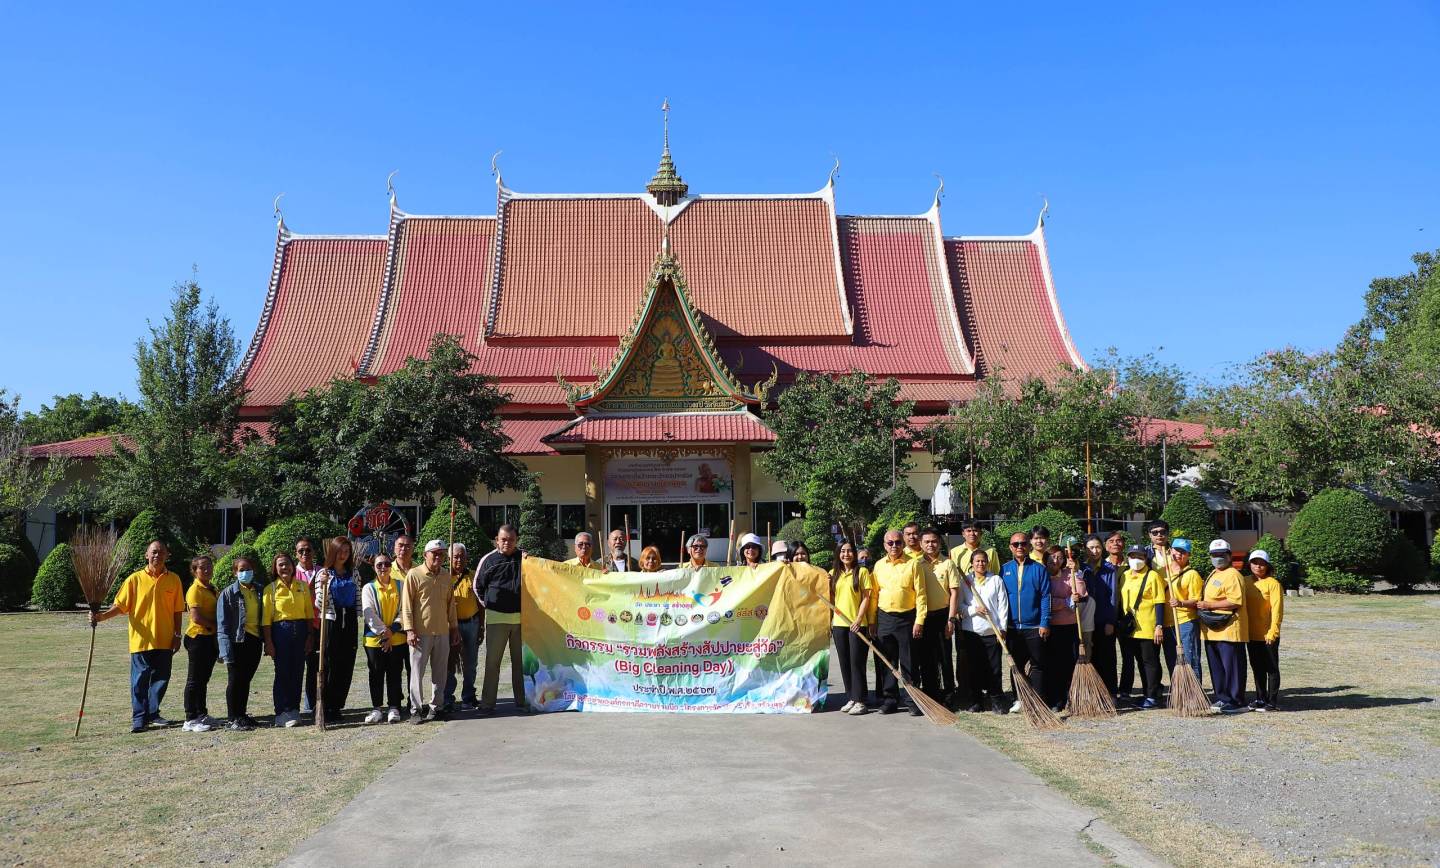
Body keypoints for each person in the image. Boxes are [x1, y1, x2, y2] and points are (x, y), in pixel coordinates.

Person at [90, 540, 186, 733]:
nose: (157, 556)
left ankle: (153, 713)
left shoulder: (174, 580)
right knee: (139, 681)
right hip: (141, 640)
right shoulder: (134, 580)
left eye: (161, 552)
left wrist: (177, 634)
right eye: (154, 552)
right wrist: (101, 617)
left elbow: (177, 611)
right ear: (146, 555)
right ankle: (139, 719)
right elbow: (120, 606)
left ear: (168, 555)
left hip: (165, 639)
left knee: (161, 678)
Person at [475, 525, 531, 715]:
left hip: (521, 620)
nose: (507, 543)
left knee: (520, 663)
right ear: (497, 540)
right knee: (492, 663)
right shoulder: (488, 560)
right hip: (496, 619)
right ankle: (487, 704)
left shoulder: (525, 559)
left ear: (517, 540)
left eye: (511, 539)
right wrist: (490, 605)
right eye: (503, 539)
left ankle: (522, 702)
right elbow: (477, 587)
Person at [402, 539, 460, 723]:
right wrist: (409, 630)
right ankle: (416, 709)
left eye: (441, 553)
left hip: (442, 631)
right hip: (420, 632)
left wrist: (454, 627)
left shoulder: (446, 576)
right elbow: (407, 605)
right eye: (434, 553)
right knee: (417, 672)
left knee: (440, 672)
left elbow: (451, 605)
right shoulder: (414, 575)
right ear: (425, 554)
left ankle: (437, 707)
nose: (438, 556)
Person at [873, 530, 927, 716]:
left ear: (903, 544)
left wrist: (919, 621)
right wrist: (873, 621)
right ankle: (890, 700)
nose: (894, 546)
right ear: (884, 544)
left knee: (909, 662)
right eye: (890, 543)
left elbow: (921, 595)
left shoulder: (913, 564)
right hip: (884, 618)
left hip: (907, 619)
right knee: (888, 662)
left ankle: (912, 700)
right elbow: (874, 595)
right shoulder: (879, 566)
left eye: (897, 542)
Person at [952, 548, 1010, 713]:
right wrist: (974, 609)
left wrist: (1002, 628)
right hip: (972, 632)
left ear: (988, 562)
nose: (980, 564)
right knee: (974, 667)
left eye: (983, 561)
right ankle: (976, 700)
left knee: (994, 667)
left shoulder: (996, 580)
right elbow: (960, 606)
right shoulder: (965, 581)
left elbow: (1003, 605)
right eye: (977, 561)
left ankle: (996, 699)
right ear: (971, 564)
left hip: (992, 632)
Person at [263, 551, 314, 727]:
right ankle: (281, 712)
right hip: (280, 631)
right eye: (280, 565)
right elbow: (266, 621)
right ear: (276, 569)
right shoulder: (270, 589)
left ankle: (294, 709)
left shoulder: (302, 586)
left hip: (300, 631)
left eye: (287, 564)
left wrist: (309, 636)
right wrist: (268, 642)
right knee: (283, 672)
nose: (285, 567)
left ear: (293, 566)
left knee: (298, 672)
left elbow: (309, 614)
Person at [1000, 532, 1049, 713]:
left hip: (1034, 625)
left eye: (1023, 544)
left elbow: (1045, 597)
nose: (1019, 547)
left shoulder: (1039, 569)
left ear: (1029, 546)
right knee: (1016, 665)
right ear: (1010, 547)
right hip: (1012, 627)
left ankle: (1038, 699)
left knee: (1037, 665)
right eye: (1015, 544)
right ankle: (1019, 698)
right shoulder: (1005, 569)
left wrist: (1044, 622)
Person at [1198, 539, 1249, 713]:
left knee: (1232, 667)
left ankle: (1236, 701)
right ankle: (1222, 697)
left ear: (1229, 555)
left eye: (1221, 555)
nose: (1218, 558)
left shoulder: (1233, 574)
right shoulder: (1213, 573)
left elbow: (1235, 601)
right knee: (1217, 667)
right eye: (1214, 555)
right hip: (1212, 629)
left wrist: (1209, 605)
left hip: (1229, 628)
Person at [215, 554, 264, 731]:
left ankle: (242, 715)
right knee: (235, 680)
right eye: (241, 570)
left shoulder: (259, 590)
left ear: (254, 570)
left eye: (248, 569)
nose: (245, 573)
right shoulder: (228, 593)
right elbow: (222, 624)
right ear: (235, 573)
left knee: (246, 680)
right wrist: (225, 651)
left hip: (254, 641)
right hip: (237, 642)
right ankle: (232, 717)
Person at [315, 536, 360, 726]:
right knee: (330, 663)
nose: (343, 555)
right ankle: (325, 705)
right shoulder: (324, 573)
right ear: (333, 552)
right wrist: (323, 585)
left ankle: (337, 705)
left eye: (347, 551)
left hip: (349, 619)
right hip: (331, 620)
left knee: (346, 663)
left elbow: (358, 596)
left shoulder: (354, 572)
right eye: (340, 551)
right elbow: (319, 603)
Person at [1118, 544, 1167, 709]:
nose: (1136, 560)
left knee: (1149, 662)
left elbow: (1160, 602)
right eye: (1133, 556)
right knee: (1133, 661)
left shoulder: (1153, 576)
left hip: (1147, 626)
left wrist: (1159, 625)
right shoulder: (1124, 575)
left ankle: (1152, 695)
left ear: (1146, 558)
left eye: (1140, 557)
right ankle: (1142, 693)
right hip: (1128, 628)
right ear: (1128, 558)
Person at [828, 541, 873, 715]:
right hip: (839, 625)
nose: (846, 554)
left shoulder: (861, 572)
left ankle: (861, 700)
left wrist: (859, 618)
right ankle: (851, 698)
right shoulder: (833, 574)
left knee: (857, 662)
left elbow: (866, 598)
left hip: (856, 625)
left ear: (854, 554)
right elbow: (832, 599)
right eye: (842, 551)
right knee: (845, 662)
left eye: (849, 551)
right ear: (838, 553)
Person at [361, 553, 407, 724]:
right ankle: (377, 708)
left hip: (397, 638)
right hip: (375, 640)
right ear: (374, 566)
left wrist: (392, 630)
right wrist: (384, 633)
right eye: (379, 564)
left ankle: (394, 706)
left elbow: (404, 610)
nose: (383, 568)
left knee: (395, 673)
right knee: (376, 673)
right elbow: (368, 613)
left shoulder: (401, 586)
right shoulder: (368, 588)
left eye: (387, 564)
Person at [1043, 544, 1088, 712]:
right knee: (1052, 665)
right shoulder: (1043, 575)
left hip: (1070, 626)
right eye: (1053, 557)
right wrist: (1065, 602)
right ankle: (1054, 698)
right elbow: (1046, 602)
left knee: (1068, 664)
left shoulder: (1069, 575)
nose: (1056, 560)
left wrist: (1076, 573)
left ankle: (1069, 697)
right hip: (1050, 626)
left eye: (1060, 557)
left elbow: (1081, 594)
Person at [919, 528, 958, 705]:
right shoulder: (916, 564)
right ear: (920, 544)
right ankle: (930, 692)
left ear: (939, 543)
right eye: (926, 541)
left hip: (943, 615)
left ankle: (949, 693)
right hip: (924, 617)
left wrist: (951, 619)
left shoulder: (948, 563)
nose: (930, 544)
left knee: (945, 656)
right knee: (927, 658)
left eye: (934, 541)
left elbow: (954, 592)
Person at [181, 554, 220, 732]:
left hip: (209, 638)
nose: (206, 569)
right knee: (194, 680)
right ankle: (190, 718)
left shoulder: (211, 588)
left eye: (209, 566)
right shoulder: (194, 590)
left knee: (204, 679)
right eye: (202, 567)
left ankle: (201, 713)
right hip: (198, 638)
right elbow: (196, 617)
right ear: (194, 571)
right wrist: (216, 626)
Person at [1080, 533, 1120, 698]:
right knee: (1090, 657)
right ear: (1085, 550)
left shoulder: (1109, 569)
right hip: (1086, 620)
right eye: (1091, 548)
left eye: (1097, 547)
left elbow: (1113, 597)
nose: (1095, 551)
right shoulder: (1082, 569)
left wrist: (1111, 621)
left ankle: (1110, 693)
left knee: (1107, 658)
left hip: (1104, 620)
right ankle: (1094, 693)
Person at [443, 543, 482, 713]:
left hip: (471, 623)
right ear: (449, 559)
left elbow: (481, 604)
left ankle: (468, 696)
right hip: (452, 625)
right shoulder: (444, 578)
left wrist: (481, 627)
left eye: (461, 556)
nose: (458, 560)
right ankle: (447, 697)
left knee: (470, 662)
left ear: (466, 558)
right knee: (450, 662)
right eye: (455, 557)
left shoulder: (473, 576)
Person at [1244, 550, 1284, 711]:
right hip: (1251, 634)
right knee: (1257, 667)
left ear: (1267, 565)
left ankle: (1272, 701)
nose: (1258, 566)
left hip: (1267, 634)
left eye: (1262, 563)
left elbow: (1277, 609)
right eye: (1255, 562)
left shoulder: (1273, 583)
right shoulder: (1245, 581)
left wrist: (1273, 630)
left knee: (1271, 668)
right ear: (1250, 564)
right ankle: (1260, 698)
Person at [1162, 538, 1205, 678]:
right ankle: (1178, 691)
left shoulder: (1192, 574)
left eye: (1183, 552)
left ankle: (1193, 693)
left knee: (1189, 659)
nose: (1179, 554)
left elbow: (1196, 600)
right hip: (1167, 623)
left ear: (1188, 555)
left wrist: (1180, 603)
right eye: (1176, 550)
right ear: (1170, 551)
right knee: (1172, 660)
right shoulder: (1163, 571)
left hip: (1185, 621)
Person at [293, 537, 322, 717]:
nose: (305, 553)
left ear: (313, 552)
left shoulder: (321, 571)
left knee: (316, 667)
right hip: (299, 626)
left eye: (308, 550)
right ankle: (293, 707)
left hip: (319, 625)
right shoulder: (291, 573)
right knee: (296, 668)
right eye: (301, 550)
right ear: (296, 553)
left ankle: (313, 705)